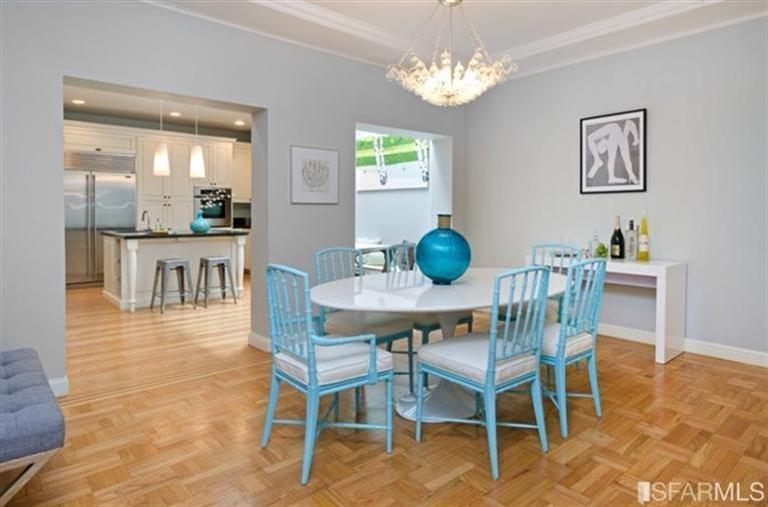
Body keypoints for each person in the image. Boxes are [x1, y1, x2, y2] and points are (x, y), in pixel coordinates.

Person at [586, 120, 640, 184]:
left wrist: (636, 138)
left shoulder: (610, 134)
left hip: (615, 131)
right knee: (616, 157)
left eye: (601, 148)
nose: (603, 150)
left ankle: (599, 163)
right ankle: (614, 177)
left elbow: (630, 123)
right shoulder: (617, 137)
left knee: (614, 156)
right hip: (618, 133)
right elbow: (630, 123)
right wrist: (636, 138)